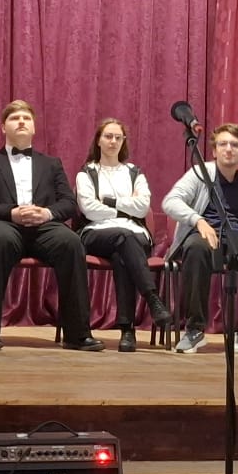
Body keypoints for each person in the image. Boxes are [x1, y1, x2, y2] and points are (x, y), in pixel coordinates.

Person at [0, 100, 100, 352]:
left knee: (71, 242)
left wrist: (46, 213)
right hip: (3, 223)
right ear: (3, 127)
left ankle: (78, 334)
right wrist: (12, 213)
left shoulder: (52, 163)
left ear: (34, 128)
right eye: (14, 118)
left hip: (43, 226)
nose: (21, 122)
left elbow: (68, 203)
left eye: (26, 118)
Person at [161, 122, 238, 356]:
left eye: (235, 145)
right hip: (205, 237)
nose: (229, 149)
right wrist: (198, 220)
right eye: (223, 144)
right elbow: (170, 202)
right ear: (215, 151)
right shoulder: (199, 175)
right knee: (195, 248)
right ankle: (194, 330)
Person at [76, 118, 176, 352]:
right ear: (98, 140)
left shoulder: (134, 173)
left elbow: (142, 208)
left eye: (118, 137)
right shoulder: (86, 173)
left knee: (123, 252)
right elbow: (89, 209)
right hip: (96, 233)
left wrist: (110, 201)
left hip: (134, 234)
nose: (113, 141)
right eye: (108, 136)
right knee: (123, 237)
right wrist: (125, 206)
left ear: (123, 142)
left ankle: (127, 330)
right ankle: (151, 300)